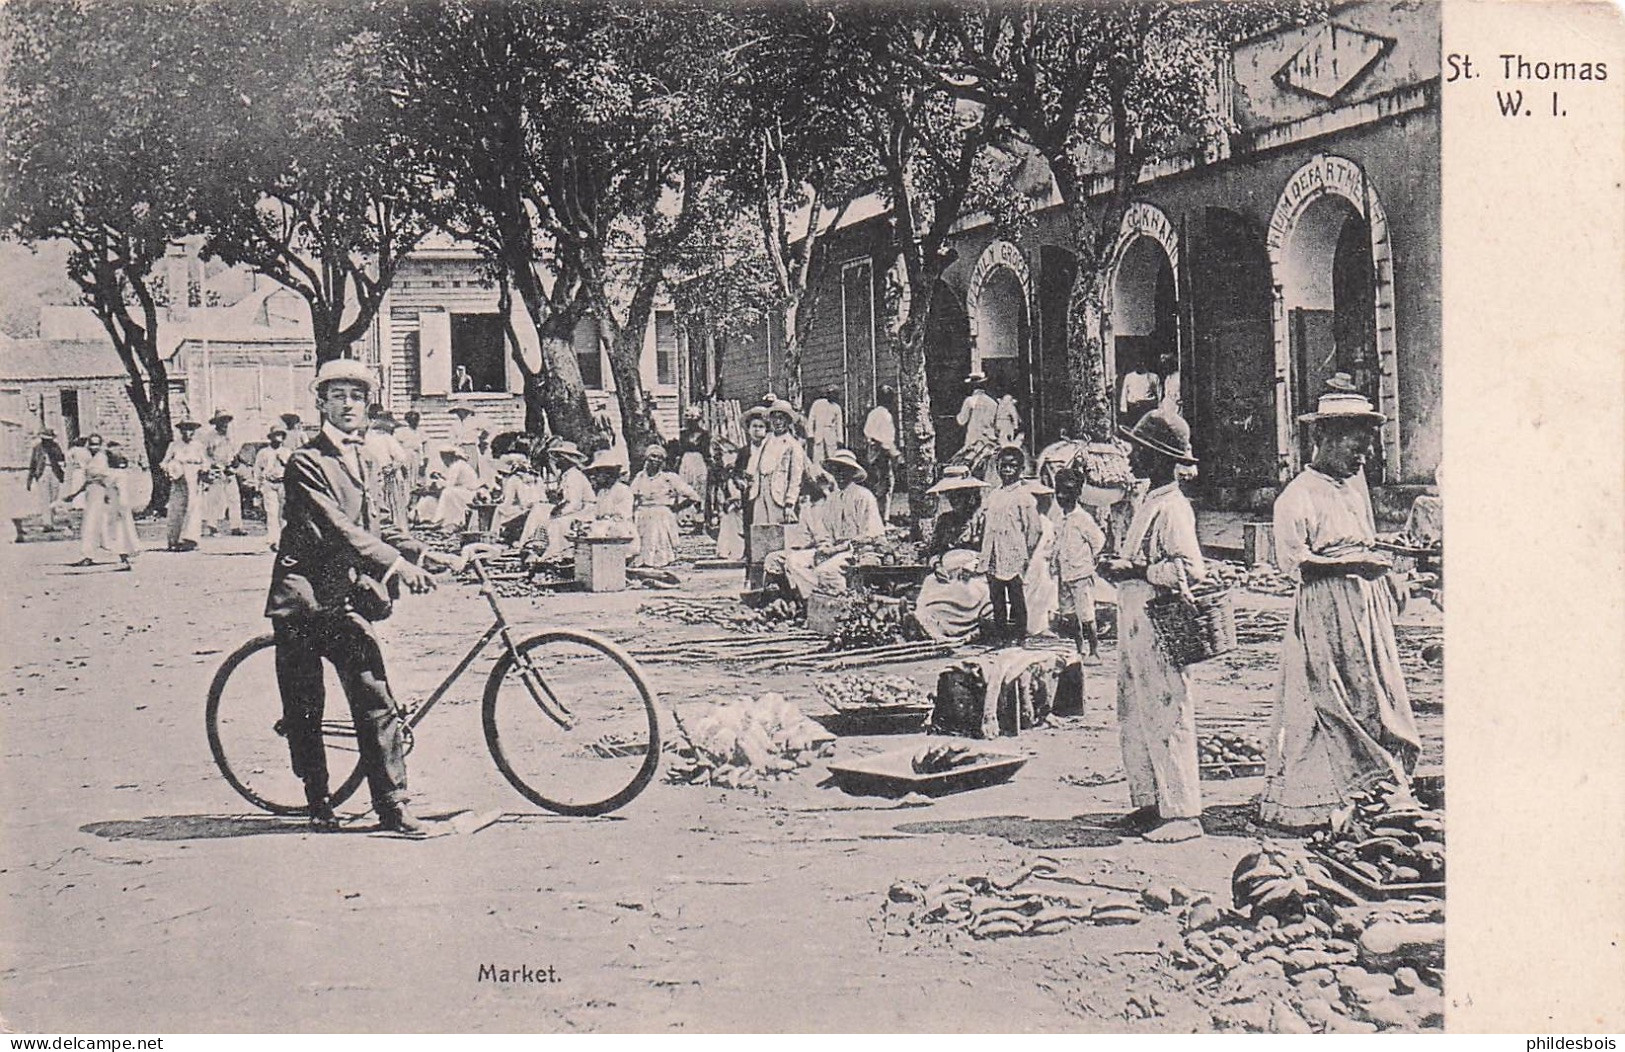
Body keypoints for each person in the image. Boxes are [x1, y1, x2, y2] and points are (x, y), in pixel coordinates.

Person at [267, 358, 453, 836]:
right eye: (337, 397)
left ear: (369, 404)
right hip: (304, 598)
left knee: (374, 696)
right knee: (306, 705)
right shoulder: (306, 461)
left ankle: (392, 805)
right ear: (322, 404)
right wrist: (396, 567)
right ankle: (317, 798)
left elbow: (381, 524)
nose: (348, 405)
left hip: (344, 596)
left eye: (356, 396)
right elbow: (338, 529)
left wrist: (427, 555)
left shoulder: (367, 458)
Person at [1257, 378, 1421, 829]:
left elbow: (1363, 538)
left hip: (1365, 610)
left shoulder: (1352, 487)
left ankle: (1375, 787)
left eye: (1367, 449)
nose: (1362, 457)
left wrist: (1388, 565)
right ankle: (1316, 801)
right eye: (1355, 446)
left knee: (1372, 697)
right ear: (1324, 437)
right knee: (1324, 702)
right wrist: (1352, 565)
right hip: (1324, 611)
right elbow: (1298, 564)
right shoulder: (1297, 496)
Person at [1098, 408, 1207, 843]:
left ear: (1160, 458)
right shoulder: (1149, 502)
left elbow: (1189, 569)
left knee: (1167, 712)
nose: (1131, 457)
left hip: (1160, 625)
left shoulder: (1174, 508)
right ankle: (1149, 802)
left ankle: (1183, 812)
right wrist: (1120, 567)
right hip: (1136, 624)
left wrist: (1137, 571)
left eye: (1139, 451)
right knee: (1135, 713)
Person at [761, 450, 884, 599]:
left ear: (852, 473)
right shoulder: (832, 499)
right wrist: (825, 546)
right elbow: (825, 531)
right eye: (835, 470)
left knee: (824, 571)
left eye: (844, 470)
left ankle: (837, 599)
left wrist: (837, 548)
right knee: (794, 561)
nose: (839, 474)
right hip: (833, 549)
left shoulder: (863, 496)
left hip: (853, 551)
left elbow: (870, 534)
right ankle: (812, 598)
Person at [914, 466, 991, 642]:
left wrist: (973, 565)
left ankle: (958, 629)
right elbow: (935, 551)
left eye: (959, 496)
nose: (954, 501)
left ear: (970, 495)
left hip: (974, 572)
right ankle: (928, 624)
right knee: (931, 583)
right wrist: (937, 566)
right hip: (947, 572)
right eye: (951, 496)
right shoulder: (945, 520)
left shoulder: (983, 518)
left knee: (968, 589)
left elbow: (989, 550)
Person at [979, 444, 1042, 644]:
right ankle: (1001, 636)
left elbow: (1034, 529)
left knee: (1016, 597)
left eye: (1012, 466)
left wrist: (1025, 553)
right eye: (1003, 466)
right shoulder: (993, 495)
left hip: (1014, 553)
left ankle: (1019, 636)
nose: (1007, 470)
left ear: (1020, 469)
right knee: (996, 597)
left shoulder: (1024, 497)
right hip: (993, 552)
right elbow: (987, 524)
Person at [1052, 467, 1107, 665]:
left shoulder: (1082, 518)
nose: (1062, 496)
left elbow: (1098, 541)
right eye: (1059, 492)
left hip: (1081, 574)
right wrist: (1054, 562)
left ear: (1077, 493)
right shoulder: (1059, 518)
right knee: (1069, 614)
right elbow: (1057, 543)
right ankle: (1079, 649)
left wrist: (1088, 560)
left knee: (1086, 614)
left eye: (1067, 492)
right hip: (1064, 574)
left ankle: (1094, 651)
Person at [630, 445, 700, 569]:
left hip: (661, 513)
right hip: (642, 514)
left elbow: (693, 496)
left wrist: (676, 508)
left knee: (658, 535)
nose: (655, 460)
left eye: (659, 458)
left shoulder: (669, 478)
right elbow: (632, 496)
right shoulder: (640, 477)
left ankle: (659, 560)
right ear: (647, 458)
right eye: (653, 456)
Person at [527, 441, 594, 557]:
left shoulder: (574, 476)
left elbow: (575, 504)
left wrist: (559, 513)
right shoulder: (566, 476)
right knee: (539, 510)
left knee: (557, 523)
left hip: (585, 512)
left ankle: (557, 553)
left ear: (566, 460)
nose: (555, 462)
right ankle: (533, 544)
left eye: (558, 458)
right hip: (574, 509)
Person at [752, 399, 806, 526]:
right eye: (775, 418)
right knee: (759, 529)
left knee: (778, 531)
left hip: (779, 494)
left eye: (781, 418)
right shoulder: (766, 440)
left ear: (788, 420)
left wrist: (790, 502)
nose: (778, 422)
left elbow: (796, 477)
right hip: (760, 492)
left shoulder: (793, 445)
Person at [583, 447, 640, 562]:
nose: (596, 477)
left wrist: (601, 523)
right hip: (603, 528)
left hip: (620, 531)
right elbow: (596, 513)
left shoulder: (623, 490)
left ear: (609, 474)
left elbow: (621, 516)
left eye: (599, 473)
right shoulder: (602, 492)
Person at [62, 434, 109, 566]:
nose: (94, 447)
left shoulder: (102, 458)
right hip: (91, 493)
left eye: (97, 444)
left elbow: (105, 478)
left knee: (92, 524)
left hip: (99, 492)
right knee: (94, 524)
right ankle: (91, 554)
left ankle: (89, 555)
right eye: (92, 444)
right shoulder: (89, 458)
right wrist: (74, 495)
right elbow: (87, 481)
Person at [162, 420, 208, 551]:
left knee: (193, 507)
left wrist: (204, 470)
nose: (188, 432)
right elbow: (164, 462)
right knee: (177, 507)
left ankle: (190, 539)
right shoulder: (174, 445)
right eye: (185, 429)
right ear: (181, 431)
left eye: (191, 429)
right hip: (179, 477)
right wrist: (170, 470)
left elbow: (205, 462)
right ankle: (174, 539)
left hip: (194, 477)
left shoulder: (199, 446)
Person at [733, 407, 770, 570]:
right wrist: (740, 481)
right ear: (748, 430)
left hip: (767, 493)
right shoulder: (744, 451)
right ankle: (750, 559)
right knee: (749, 524)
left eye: (761, 427)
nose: (757, 430)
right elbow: (736, 473)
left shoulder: (770, 449)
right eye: (754, 426)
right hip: (749, 494)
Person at [1022, 479, 1059, 636]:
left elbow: (1051, 543)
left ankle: (1040, 626)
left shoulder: (1047, 522)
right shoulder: (1022, 519)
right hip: (1029, 561)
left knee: (1043, 591)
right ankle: (1027, 625)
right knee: (1028, 591)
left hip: (1043, 561)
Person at [415, 445, 480, 530]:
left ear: (450, 456)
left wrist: (438, 483)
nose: (443, 461)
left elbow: (449, 484)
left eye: (444, 458)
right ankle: (427, 518)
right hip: (462, 491)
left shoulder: (457, 465)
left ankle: (440, 520)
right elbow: (450, 480)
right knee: (431, 498)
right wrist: (440, 478)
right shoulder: (457, 465)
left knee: (447, 492)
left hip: (468, 493)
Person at [202, 412, 244, 537]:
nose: (225, 424)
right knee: (214, 499)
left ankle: (236, 527)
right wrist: (212, 466)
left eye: (226, 421)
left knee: (234, 498)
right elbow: (205, 455)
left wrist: (233, 465)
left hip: (229, 469)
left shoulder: (231, 436)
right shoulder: (209, 437)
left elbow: (235, 453)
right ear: (216, 423)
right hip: (216, 469)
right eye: (222, 421)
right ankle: (212, 526)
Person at [101, 442, 140, 570]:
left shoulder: (113, 474)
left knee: (119, 528)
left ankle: (124, 552)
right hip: (118, 504)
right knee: (123, 527)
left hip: (118, 504)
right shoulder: (118, 474)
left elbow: (118, 490)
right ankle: (126, 551)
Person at [864, 385, 899, 519]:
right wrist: (893, 454)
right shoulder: (885, 415)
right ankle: (883, 517)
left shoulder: (873, 413)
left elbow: (867, 432)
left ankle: (879, 515)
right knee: (886, 485)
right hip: (882, 453)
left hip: (874, 452)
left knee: (877, 484)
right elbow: (886, 439)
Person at [254, 428, 292, 550]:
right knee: (272, 512)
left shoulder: (287, 452)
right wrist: (257, 486)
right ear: (270, 437)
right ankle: (273, 540)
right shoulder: (264, 452)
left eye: (280, 435)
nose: (278, 438)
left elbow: (292, 469)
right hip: (269, 483)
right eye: (275, 435)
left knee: (283, 513)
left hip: (283, 483)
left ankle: (284, 540)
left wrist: (284, 461)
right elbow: (257, 469)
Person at [673, 407, 712, 526]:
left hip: (699, 461)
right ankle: (685, 518)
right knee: (685, 487)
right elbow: (680, 451)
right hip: (686, 462)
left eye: (694, 421)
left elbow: (706, 452)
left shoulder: (704, 434)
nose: (691, 423)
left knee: (700, 488)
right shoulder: (683, 434)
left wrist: (709, 464)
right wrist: (677, 463)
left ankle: (698, 518)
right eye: (689, 421)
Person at [26, 429, 66, 528]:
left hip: (54, 472)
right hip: (42, 473)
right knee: (45, 498)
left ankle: (51, 520)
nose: (46, 442)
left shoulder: (55, 447)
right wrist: (29, 480)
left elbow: (61, 459)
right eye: (44, 439)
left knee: (54, 498)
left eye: (48, 440)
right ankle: (47, 523)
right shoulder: (37, 448)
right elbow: (33, 463)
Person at [956, 372, 998, 451]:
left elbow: (962, 421)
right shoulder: (993, 403)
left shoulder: (970, 401)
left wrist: (957, 416)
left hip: (973, 440)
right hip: (988, 441)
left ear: (972, 386)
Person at [805, 388, 844, 465]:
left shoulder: (837, 408)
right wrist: (810, 434)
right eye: (829, 393)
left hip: (831, 434)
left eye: (834, 394)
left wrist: (840, 439)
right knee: (818, 456)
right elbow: (811, 419)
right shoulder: (817, 404)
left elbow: (839, 425)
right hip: (819, 432)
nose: (831, 396)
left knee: (832, 456)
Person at [1119, 358, 1162, 426]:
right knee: (1133, 427)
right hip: (1133, 408)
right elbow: (1124, 393)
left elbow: (1158, 393)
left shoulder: (1153, 377)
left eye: (1141, 362)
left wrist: (1159, 408)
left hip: (1147, 408)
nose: (1139, 365)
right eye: (1137, 363)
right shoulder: (1129, 377)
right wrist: (1123, 408)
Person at [395, 411, 426, 488]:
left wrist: (423, 463)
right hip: (406, 457)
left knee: (417, 479)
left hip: (417, 457)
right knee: (406, 478)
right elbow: (398, 448)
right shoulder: (401, 431)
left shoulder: (421, 432)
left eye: (416, 420)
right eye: (412, 420)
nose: (414, 422)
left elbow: (423, 448)